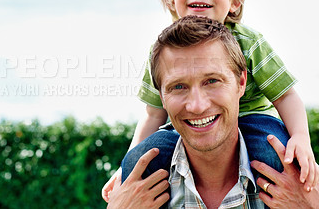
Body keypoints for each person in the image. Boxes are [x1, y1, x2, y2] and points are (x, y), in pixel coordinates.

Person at [102, 0, 318, 202]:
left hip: (254, 122)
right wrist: (126, 169)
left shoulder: (249, 42)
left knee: (276, 158)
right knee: (142, 160)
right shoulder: (162, 52)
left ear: (234, 1)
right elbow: (152, 114)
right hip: (184, 131)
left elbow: (286, 96)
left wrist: (301, 138)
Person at [107, 16, 319, 208]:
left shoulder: (300, 183)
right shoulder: (138, 192)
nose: (197, 106)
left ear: (241, 83)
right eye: (178, 87)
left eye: (212, 81)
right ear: (161, 97)